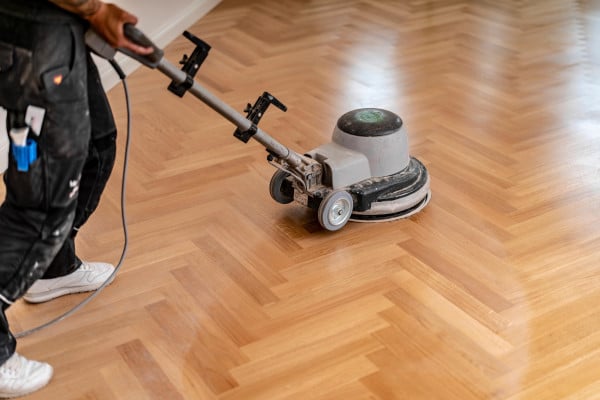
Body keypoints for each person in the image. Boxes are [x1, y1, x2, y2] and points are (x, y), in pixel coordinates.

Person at [0, 0, 152, 397]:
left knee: (96, 146)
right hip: (33, 31)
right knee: (39, 202)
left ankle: (54, 268)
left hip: (60, 27)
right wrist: (95, 9)